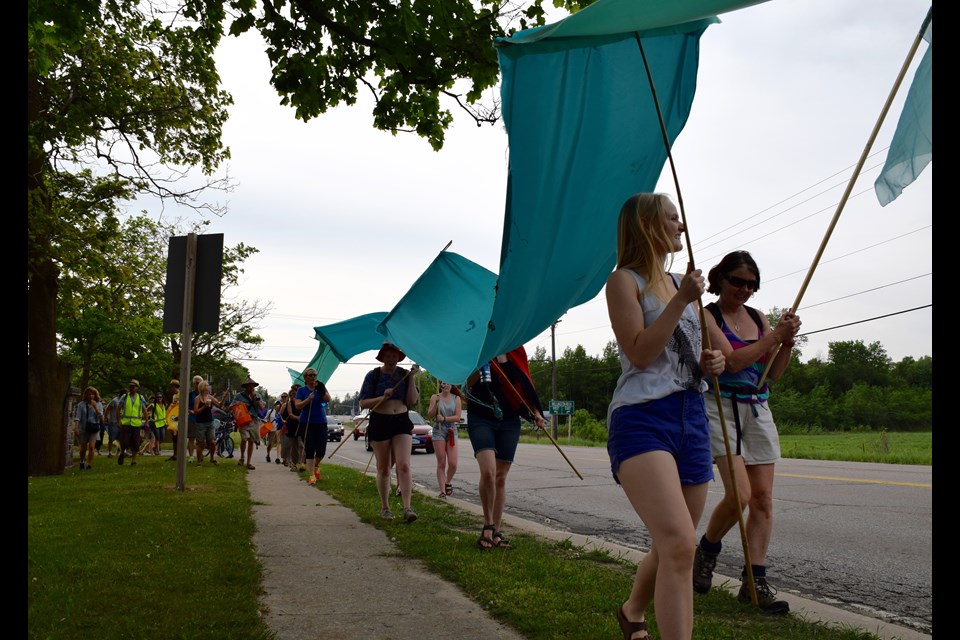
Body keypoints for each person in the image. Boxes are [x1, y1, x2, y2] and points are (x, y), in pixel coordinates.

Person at [604, 192, 725, 640]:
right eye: (672, 218)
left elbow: (718, 358)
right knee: (679, 543)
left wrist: (715, 363)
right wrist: (680, 302)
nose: (681, 226)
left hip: (692, 417)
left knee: (675, 544)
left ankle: (632, 611)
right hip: (642, 416)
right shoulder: (624, 282)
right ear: (647, 225)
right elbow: (638, 353)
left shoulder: (681, 283)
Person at [692, 250, 801, 614]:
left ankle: (754, 583)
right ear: (720, 279)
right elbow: (734, 362)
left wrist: (786, 342)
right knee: (739, 495)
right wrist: (775, 338)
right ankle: (707, 549)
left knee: (763, 500)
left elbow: (774, 372)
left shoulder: (758, 317)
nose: (745, 290)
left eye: (751, 285)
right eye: (738, 281)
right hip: (720, 406)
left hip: (757, 407)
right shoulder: (706, 315)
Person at [465, 346, 545, 550]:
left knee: (500, 476)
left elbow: (525, 385)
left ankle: (497, 531)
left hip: (509, 420)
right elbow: (467, 385)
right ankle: (488, 525)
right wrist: (481, 360)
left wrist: (536, 412)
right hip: (481, 417)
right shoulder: (479, 347)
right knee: (489, 471)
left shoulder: (516, 351)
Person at [358, 341, 420, 523]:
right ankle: (385, 507)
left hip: (401, 420)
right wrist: (382, 396)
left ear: (399, 357)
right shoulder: (373, 375)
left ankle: (407, 508)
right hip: (380, 421)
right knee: (384, 468)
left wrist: (412, 378)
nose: (391, 358)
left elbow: (412, 401)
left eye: (395, 355)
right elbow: (363, 402)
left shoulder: (404, 374)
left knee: (404, 465)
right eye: (388, 355)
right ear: (383, 357)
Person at [294, 367, 332, 486]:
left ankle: (316, 464)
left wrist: (320, 389)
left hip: (321, 422)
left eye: (314, 375)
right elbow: (298, 406)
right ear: (305, 378)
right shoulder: (301, 390)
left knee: (321, 450)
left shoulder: (320, 387)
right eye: (310, 375)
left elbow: (328, 399)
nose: (313, 377)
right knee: (309, 449)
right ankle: (312, 475)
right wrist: (308, 399)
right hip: (307, 422)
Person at [426, 380, 463, 499]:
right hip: (439, 431)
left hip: (452, 430)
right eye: (443, 383)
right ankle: (442, 491)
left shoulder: (456, 398)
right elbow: (430, 415)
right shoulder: (435, 397)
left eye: (448, 383)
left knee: (453, 463)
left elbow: (457, 417)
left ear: (451, 385)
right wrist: (435, 404)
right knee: (441, 462)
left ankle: (448, 482)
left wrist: (445, 418)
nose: (445, 384)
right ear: (440, 385)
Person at [232, 377, 264, 470]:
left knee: (251, 441)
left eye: (252, 386)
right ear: (245, 387)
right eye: (249, 386)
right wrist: (240, 404)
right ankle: (242, 457)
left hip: (254, 420)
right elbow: (232, 406)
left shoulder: (258, 395)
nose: (251, 388)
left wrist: (256, 399)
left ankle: (248, 462)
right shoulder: (239, 395)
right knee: (244, 439)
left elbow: (262, 408)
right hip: (243, 420)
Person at [116, 379, 149, 466]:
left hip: (136, 423)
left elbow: (144, 410)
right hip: (126, 423)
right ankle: (122, 453)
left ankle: (133, 461)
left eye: (133, 386)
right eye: (130, 386)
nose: (131, 388)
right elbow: (118, 408)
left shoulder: (140, 398)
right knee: (124, 441)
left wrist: (146, 421)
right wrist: (119, 420)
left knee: (135, 443)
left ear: (137, 388)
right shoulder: (125, 397)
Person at [194, 380, 226, 466]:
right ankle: (199, 461)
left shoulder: (210, 397)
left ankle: (212, 459)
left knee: (212, 442)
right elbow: (196, 411)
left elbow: (219, 405)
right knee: (201, 443)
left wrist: (223, 398)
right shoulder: (197, 398)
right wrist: (204, 406)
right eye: (207, 386)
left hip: (210, 422)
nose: (209, 387)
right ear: (203, 387)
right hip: (200, 423)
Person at [73, 386, 103, 470]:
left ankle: (89, 464)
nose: (91, 396)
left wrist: (95, 407)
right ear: (86, 395)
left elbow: (102, 418)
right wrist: (76, 428)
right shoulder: (81, 405)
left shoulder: (99, 404)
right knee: (83, 448)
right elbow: (77, 417)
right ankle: (82, 461)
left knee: (91, 447)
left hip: (94, 428)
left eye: (93, 394)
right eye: (89, 394)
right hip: (84, 428)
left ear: (95, 395)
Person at [281, 384, 303, 472]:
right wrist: (298, 418)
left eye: (296, 390)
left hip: (301, 425)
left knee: (301, 444)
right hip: (293, 425)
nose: (294, 392)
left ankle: (301, 463)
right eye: (293, 390)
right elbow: (290, 414)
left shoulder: (303, 401)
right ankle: (293, 464)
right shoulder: (290, 403)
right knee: (292, 445)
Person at [186, 375, 204, 463]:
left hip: (202, 419)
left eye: (200, 383)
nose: (198, 385)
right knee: (191, 438)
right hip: (192, 419)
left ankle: (200, 454)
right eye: (196, 383)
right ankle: (191, 456)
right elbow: (186, 407)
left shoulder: (204, 395)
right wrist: (190, 411)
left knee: (200, 439)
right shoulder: (191, 395)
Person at [146, 391, 168, 456]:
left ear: (162, 398)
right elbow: (146, 410)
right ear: (156, 398)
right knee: (157, 437)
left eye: (160, 397)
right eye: (158, 397)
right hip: (156, 423)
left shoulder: (164, 404)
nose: (159, 398)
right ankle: (157, 451)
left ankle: (154, 448)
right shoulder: (153, 405)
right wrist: (147, 417)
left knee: (162, 437)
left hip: (163, 422)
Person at [105, 389, 123, 457]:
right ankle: (110, 452)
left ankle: (122, 451)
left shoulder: (124, 401)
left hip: (121, 422)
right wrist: (105, 418)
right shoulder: (114, 400)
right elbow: (107, 409)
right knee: (111, 438)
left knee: (121, 438)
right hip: (113, 422)